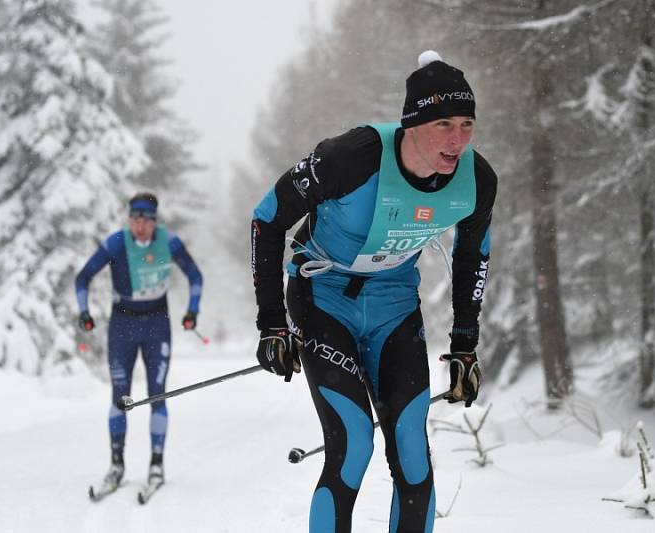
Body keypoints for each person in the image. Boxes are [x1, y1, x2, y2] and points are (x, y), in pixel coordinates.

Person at [251, 50, 497, 532]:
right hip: (323, 298)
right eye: (444, 124)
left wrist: (465, 346)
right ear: (412, 124)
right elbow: (267, 217)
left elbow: (474, 257)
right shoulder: (352, 158)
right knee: (355, 441)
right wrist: (272, 322)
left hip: (394, 305)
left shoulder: (475, 181)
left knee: (412, 452)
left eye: (467, 124)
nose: (458, 139)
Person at [75, 192, 203, 491]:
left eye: (145, 220)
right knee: (120, 395)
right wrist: (84, 312)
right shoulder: (117, 243)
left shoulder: (168, 242)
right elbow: (82, 278)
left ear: (154, 222)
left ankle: (156, 464)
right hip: (122, 325)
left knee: (158, 395)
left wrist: (192, 310)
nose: (139, 226)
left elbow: (195, 276)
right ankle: (116, 464)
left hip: (157, 324)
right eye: (134, 219)